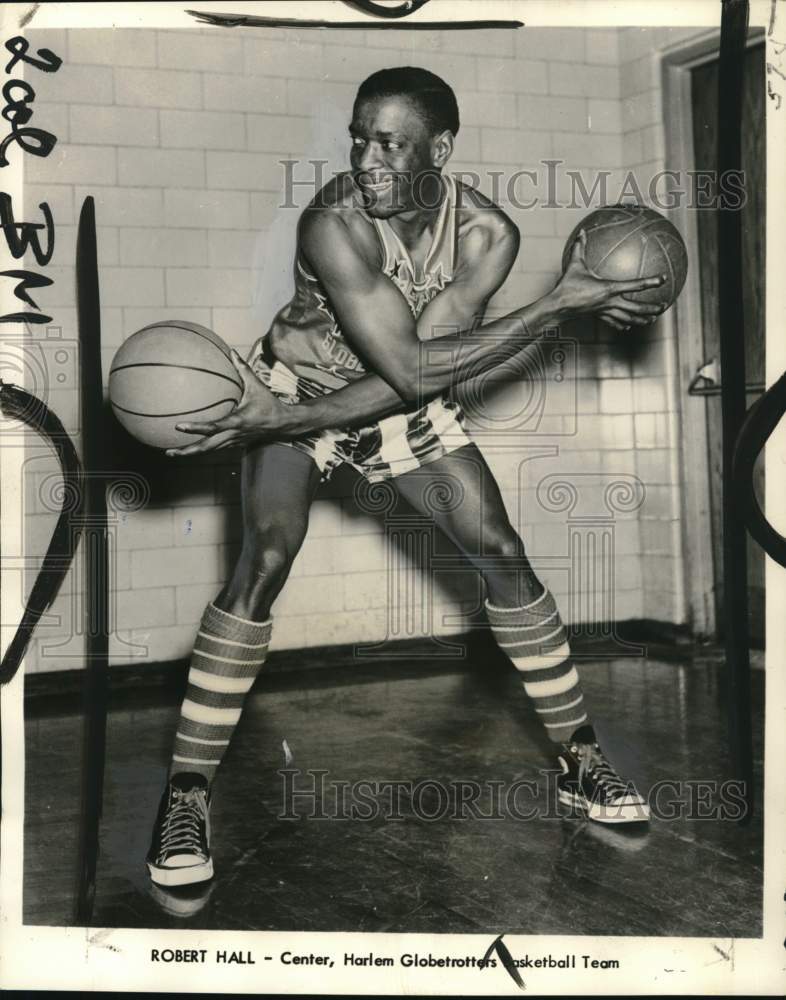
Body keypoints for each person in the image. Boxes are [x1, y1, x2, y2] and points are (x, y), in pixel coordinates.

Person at [146, 67, 665, 888]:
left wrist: (559, 302)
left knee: (502, 551)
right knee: (267, 558)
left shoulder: (487, 237)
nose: (366, 158)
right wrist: (280, 420)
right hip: (293, 393)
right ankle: (184, 796)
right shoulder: (334, 224)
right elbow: (414, 365)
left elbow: (419, 375)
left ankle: (581, 761)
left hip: (391, 401)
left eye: (388, 141)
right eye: (358, 137)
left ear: (441, 148)